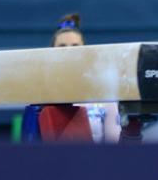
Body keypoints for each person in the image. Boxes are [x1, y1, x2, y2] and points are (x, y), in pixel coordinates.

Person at [51, 13, 121, 142]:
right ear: (51, 51)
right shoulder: (42, 92)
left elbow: (114, 143)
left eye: (75, 46)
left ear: (84, 49)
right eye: (62, 46)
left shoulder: (103, 91)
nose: (69, 51)